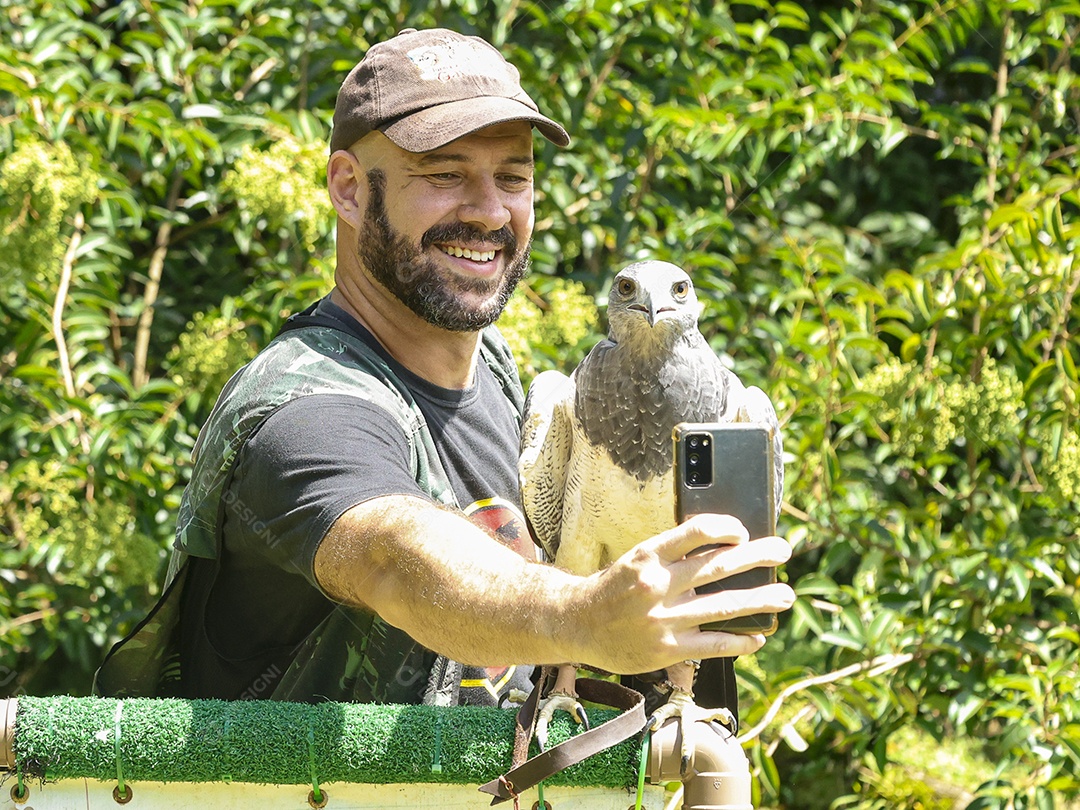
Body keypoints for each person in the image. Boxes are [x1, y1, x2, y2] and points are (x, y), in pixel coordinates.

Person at [95, 27, 794, 711]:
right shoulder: (305, 410)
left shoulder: (496, 372)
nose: (489, 211)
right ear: (348, 188)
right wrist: (585, 616)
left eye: (513, 177)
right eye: (444, 174)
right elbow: (396, 560)